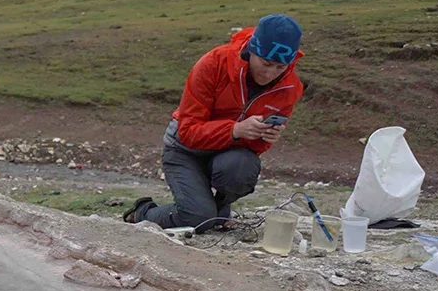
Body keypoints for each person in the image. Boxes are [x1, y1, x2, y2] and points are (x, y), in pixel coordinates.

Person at [123, 14, 305, 231]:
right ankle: (143, 212)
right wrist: (235, 129)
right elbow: (188, 131)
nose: (270, 73)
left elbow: (253, 151)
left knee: (242, 169)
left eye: (280, 67)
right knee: (198, 217)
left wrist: (265, 137)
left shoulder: (289, 88)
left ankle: (217, 209)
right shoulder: (214, 63)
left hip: (226, 155)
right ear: (252, 50)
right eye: (266, 63)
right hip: (184, 150)